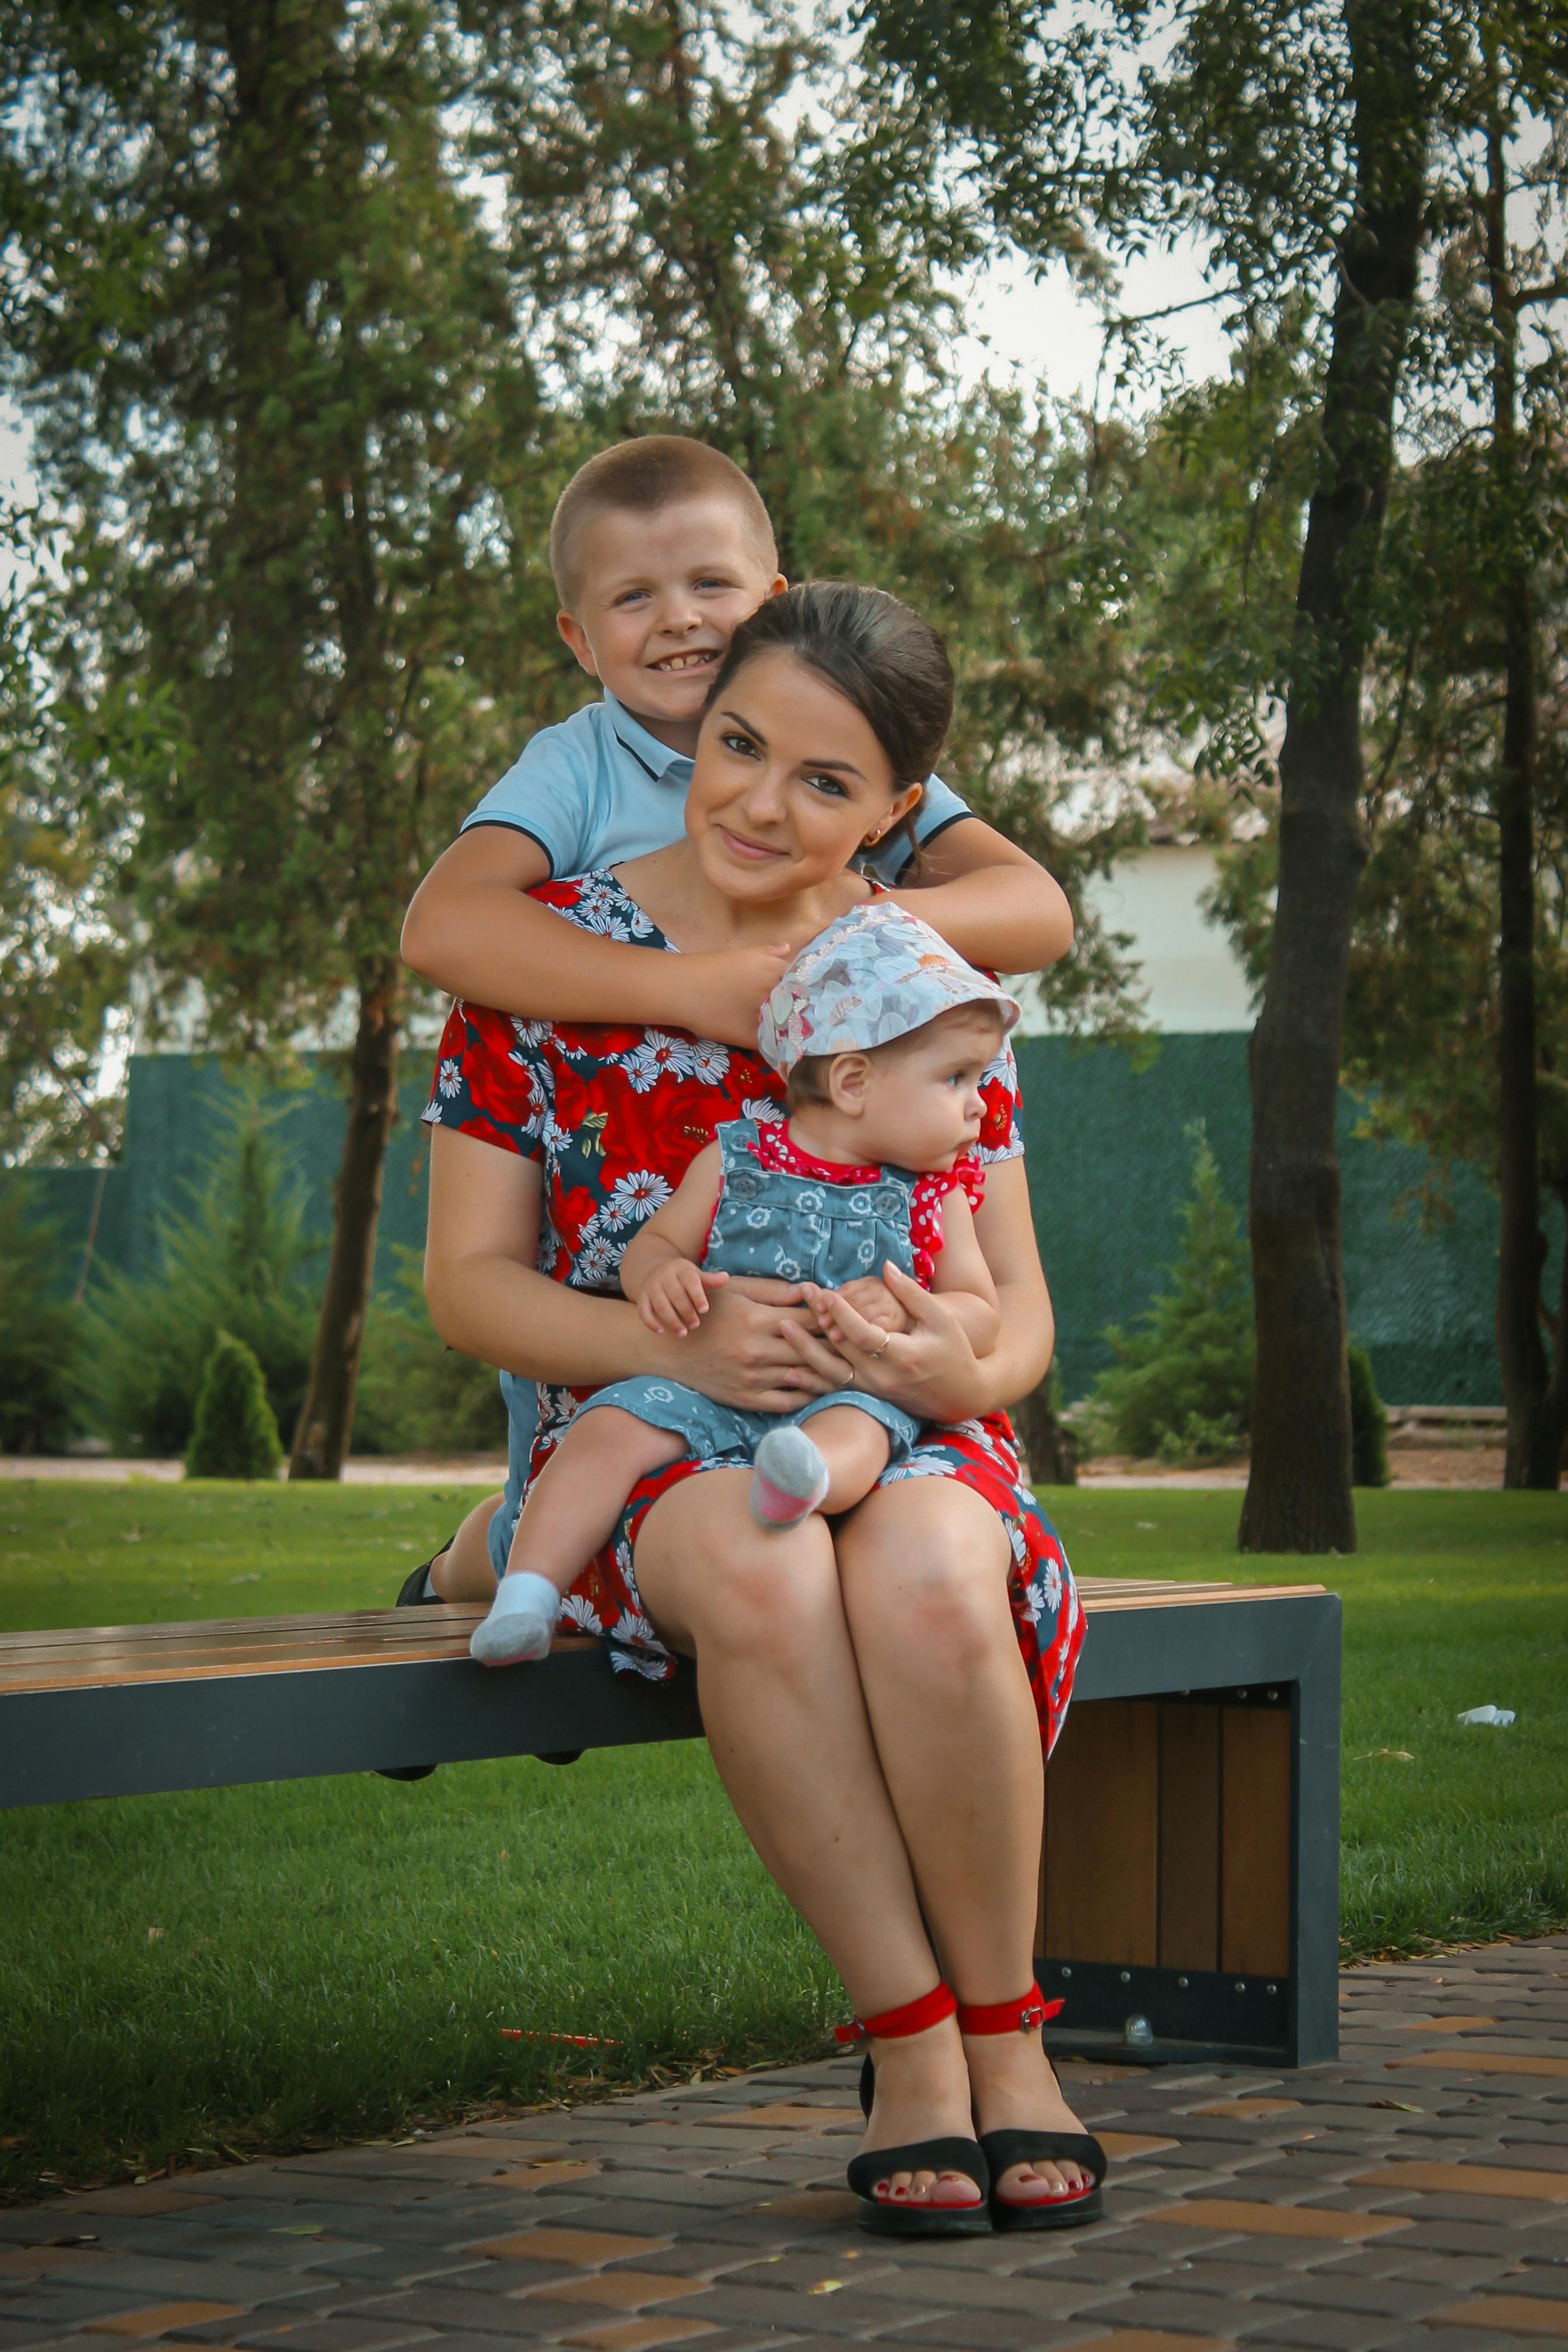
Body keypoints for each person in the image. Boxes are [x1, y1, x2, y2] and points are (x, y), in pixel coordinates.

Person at [420, 582, 1104, 2238]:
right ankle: (911, 2039)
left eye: (822, 781)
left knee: (934, 1565)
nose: (758, 802)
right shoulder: (547, 966)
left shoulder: (930, 979)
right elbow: (467, 1288)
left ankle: (1012, 2033)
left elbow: (1018, 1317)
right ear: (696, 723)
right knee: (764, 1562)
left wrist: (967, 1373)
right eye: (739, 746)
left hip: (909, 1423)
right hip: (659, 1438)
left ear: (893, 814)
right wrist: (681, 1350)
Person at [396, 432, 1074, 1619]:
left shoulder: (839, 719)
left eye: (710, 587)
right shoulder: (579, 765)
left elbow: (1035, 909)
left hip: (820, 1329)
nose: (678, 624)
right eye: (633, 597)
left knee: (872, 1547)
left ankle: (502, 1554)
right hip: (636, 1272)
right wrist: (689, 987)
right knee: (568, 1486)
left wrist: (854, 941)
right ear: (578, 638)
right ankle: (481, 1564)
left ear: (772, 601)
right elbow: (445, 926)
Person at [467, 905, 1019, 1668]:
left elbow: (983, 1314)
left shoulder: (936, 1194)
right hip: (707, 1384)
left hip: (847, 1387)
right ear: (854, 1081)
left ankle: (800, 1486)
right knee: (606, 1431)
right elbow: (656, 1243)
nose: (979, 1104)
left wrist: (911, 1309)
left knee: (858, 1435)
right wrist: (662, 1276)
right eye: (957, 1078)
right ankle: (525, 1598)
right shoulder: (738, 1156)